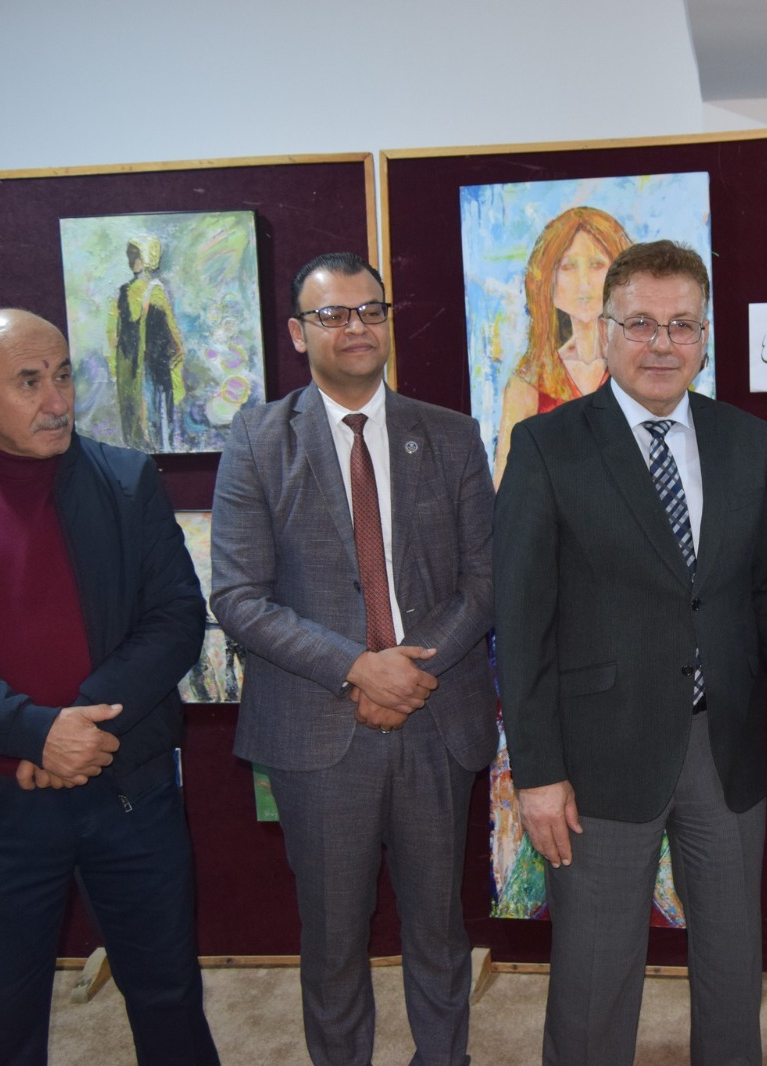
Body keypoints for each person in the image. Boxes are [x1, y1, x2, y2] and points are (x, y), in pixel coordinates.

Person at [0, 309, 217, 1065]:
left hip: (127, 788)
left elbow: (175, 617)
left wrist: (79, 730)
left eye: (62, 376)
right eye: (29, 382)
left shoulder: (126, 482)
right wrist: (35, 732)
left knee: (169, 1001)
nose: (57, 401)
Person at [494, 239, 767, 1066]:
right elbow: (520, 625)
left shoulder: (748, 440)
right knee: (594, 982)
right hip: (597, 758)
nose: (662, 344)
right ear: (604, 331)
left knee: (734, 972)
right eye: (640, 324)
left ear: (705, 336)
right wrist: (536, 772)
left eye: (682, 325)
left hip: (723, 745)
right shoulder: (547, 446)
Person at [211, 252, 496, 1066]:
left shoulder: (450, 434)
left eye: (371, 310)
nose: (356, 327)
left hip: (436, 718)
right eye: (332, 314)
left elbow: (486, 580)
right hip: (317, 727)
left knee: (440, 931)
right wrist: (357, 667)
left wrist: (408, 672)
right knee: (333, 940)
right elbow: (238, 596)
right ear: (298, 332)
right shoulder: (258, 440)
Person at [493, 206, 632, 484]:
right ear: (547, 279)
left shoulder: (640, 370)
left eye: (596, 265)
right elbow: (505, 489)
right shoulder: (527, 384)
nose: (584, 284)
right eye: (568, 267)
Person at [108, 235, 186, 450]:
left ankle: (158, 446)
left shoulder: (156, 289)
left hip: (153, 361)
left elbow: (170, 324)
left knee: (153, 408)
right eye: (130, 254)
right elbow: (115, 330)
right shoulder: (123, 291)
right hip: (130, 360)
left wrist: (178, 348)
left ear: (148, 256)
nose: (132, 259)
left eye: (136, 254)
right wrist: (114, 361)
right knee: (134, 409)